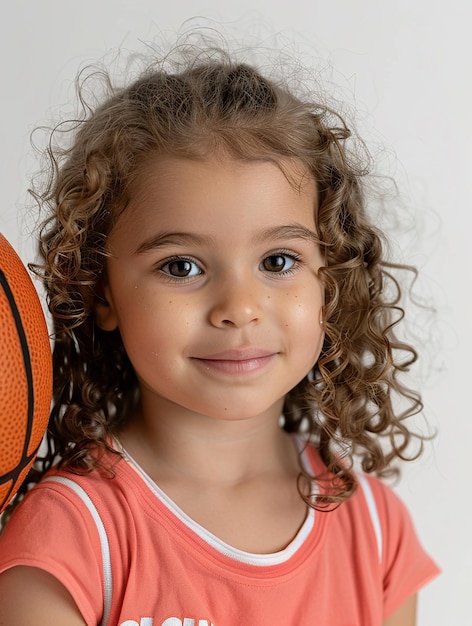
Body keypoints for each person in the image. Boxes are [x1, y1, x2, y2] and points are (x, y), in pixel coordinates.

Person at [0, 39, 439, 626]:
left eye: (278, 261)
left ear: (330, 279)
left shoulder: (378, 535)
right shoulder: (72, 541)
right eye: (181, 266)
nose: (239, 308)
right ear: (100, 289)